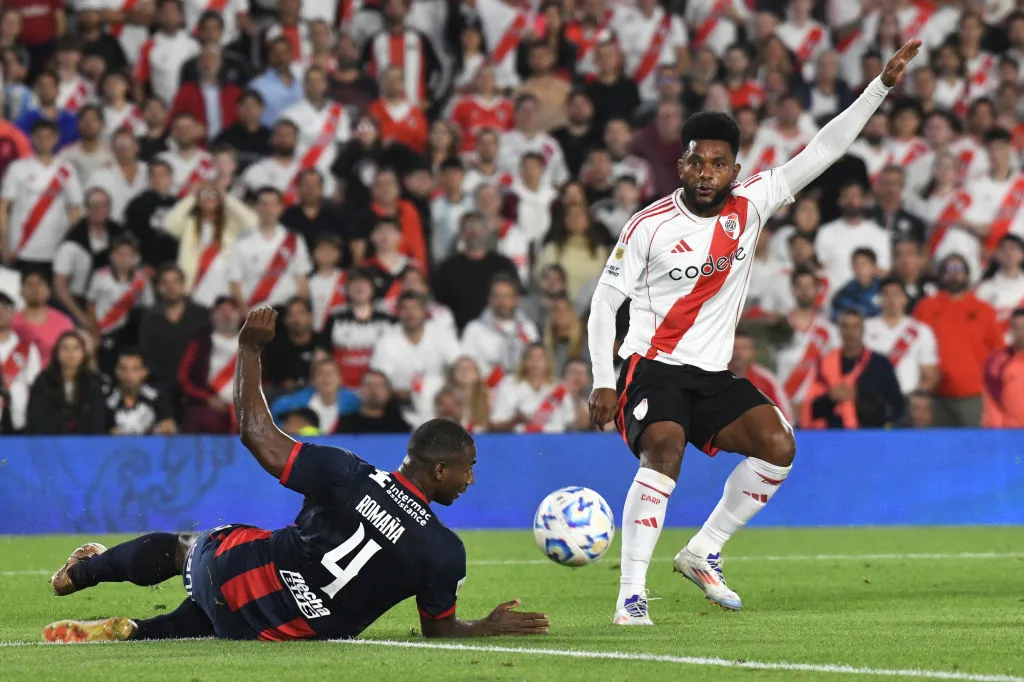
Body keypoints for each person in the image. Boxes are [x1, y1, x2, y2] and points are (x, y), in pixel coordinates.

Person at [587, 41, 922, 624]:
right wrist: (601, 380)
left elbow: (826, 147)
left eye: (720, 164)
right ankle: (631, 595)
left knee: (779, 445)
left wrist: (880, 88)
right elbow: (602, 304)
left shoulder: (755, 200)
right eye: (697, 162)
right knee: (664, 450)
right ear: (681, 165)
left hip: (711, 374)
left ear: (735, 169)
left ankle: (703, 550)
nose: (708, 174)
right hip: (651, 367)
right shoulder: (648, 226)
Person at [43, 306, 549, 642]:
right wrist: (488, 626)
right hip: (281, 629)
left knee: (187, 550)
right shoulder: (444, 550)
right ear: (439, 470)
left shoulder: (346, 472)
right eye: (468, 470)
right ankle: (138, 631)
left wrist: (249, 350)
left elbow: (256, 435)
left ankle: (82, 573)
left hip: (240, 574)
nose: (471, 480)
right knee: (211, 620)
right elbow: (438, 632)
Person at [914, 254, 1005, 427]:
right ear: (939, 275)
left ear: (968, 275)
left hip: (974, 396)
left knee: (974, 448)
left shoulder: (984, 310)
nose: (954, 274)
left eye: (959, 269)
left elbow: (998, 352)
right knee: (936, 449)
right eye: (949, 269)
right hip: (934, 395)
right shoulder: (925, 307)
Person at [1, 119, 83, 280]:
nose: (44, 140)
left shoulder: (66, 170)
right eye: (39, 136)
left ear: (56, 139)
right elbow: (3, 208)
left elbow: (75, 209)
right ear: (32, 139)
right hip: (21, 249)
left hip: (55, 250)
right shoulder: (17, 168)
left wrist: (70, 248)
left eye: (48, 136)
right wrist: (3, 245)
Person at [801, 309, 905, 429]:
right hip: (831, 438)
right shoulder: (824, 363)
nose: (850, 333)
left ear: (863, 330)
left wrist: (860, 398)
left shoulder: (880, 364)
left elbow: (897, 407)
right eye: (846, 327)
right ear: (839, 330)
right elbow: (810, 410)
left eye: (855, 327)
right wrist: (830, 398)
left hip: (871, 436)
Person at [163, 182, 256, 309]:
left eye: (213, 194)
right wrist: (192, 196)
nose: (209, 198)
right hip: (194, 286)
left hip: (223, 288)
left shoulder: (230, 224)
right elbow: (168, 224)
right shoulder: (189, 223)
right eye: (205, 194)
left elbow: (252, 223)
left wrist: (226, 197)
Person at [227, 188, 311, 311]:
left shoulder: (294, 240)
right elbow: (235, 282)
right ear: (256, 207)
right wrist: (245, 313)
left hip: (287, 315)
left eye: (273, 204)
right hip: (255, 314)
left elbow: (302, 280)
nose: (269, 209)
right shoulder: (241, 242)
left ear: (281, 208)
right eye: (264, 204)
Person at [139, 264, 209, 408]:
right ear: (158, 288)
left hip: (197, 385)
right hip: (161, 385)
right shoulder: (149, 317)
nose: (171, 287)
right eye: (165, 282)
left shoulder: (203, 314)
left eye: (176, 282)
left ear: (183, 285)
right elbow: (146, 353)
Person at [87, 234, 154, 376]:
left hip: (128, 333)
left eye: (129, 255)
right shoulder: (101, 276)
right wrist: (94, 330)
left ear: (137, 258)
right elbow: (91, 304)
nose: (124, 258)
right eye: (120, 254)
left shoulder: (141, 280)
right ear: (112, 256)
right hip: (103, 330)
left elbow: (148, 307)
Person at [864, 278, 939, 397]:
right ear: (879, 299)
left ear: (905, 299)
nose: (891, 299)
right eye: (886, 294)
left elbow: (930, 374)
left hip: (908, 398)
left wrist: (917, 398)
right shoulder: (865, 328)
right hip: (872, 399)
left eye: (896, 294)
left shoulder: (921, 331)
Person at [462, 274, 540, 390]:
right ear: (489, 299)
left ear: (516, 299)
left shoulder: (528, 328)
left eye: (507, 296)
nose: (502, 301)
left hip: (522, 392)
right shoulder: (474, 329)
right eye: (497, 296)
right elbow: (467, 369)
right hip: (487, 393)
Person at [177, 297, 241, 434]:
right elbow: (184, 378)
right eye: (222, 311)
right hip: (208, 404)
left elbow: (262, 380)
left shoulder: (252, 343)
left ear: (239, 314)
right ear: (213, 316)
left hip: (244, 408)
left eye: (231, 311)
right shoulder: (201, 342)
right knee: (198, 417)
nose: (227, 315)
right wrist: (207, 398)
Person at [322, 268, 394, 389]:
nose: (359, 287)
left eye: (364, 283)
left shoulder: (387, 318)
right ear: (347, 290)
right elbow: (323, 351)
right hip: (341, 386)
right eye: (354, 284)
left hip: (377, 387)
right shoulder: (335, 316)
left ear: (373, 288)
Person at [26, 330, 106, 435]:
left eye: (76, 348)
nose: (70, 353)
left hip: (86, 444)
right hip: (51, 443)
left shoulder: (94, 382)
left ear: (83, 353)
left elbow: (98, 418)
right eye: (65, 348)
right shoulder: (43, 381)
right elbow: (37, 417)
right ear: (57, 352)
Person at [489, 342, 578, 434]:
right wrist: (517, 419)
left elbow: (572, 424)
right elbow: (494, 425)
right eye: (530, 358)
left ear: (548, 363)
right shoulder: (508, 384)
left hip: (553, 443)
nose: (535, 363)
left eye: (540, 358)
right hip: (517, 442)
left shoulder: (560, 388)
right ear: (523, 362)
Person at [270, 357, 360, 435]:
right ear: (313, 380)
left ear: (340, 379)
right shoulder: (296, 402)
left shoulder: (352, 402)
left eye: (331, 373)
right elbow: (276, 412)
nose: (326, 377)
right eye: (321, 373)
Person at [728, 327, 793, 424]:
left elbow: (786, 419)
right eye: (734, 348)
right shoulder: (714, 377)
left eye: (744, 348)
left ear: (753, 352)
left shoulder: (766, 380)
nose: (738, 353)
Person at [262, 297, 326, 396]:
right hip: (284, 396)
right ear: (286, 320)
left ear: (310, 316)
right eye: (291, 315)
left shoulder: (322, 342)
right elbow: (276, 380)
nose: (296, 319)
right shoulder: (275, 346)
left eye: (301, 313)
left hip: (317, 392)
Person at [11, 271, 74, 369]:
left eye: (39, 284)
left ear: (48, 291)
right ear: (21, 292)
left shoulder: (64, 322)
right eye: (29, 285)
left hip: (52, 378)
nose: (34, 289)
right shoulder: (9, 321)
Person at [105, 349, 176, 435]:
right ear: (117, 371)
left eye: (135, 369)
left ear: (144, 372)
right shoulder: (108, 402)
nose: (129, 375)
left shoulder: (156, 397)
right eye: (124, 369)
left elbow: (168, 427)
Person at [0, 290, 42, 432]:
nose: (1, 313)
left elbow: (35, 387)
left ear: (13, 313)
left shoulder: (28, 349)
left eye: (5, 308)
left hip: (19, 422)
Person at [982, 309, 1024, 428]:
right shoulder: (998, 360)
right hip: (1010, 432)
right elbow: (992, 400)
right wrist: (997, 434)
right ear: (1010, 330)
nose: (1021, 333)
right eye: (1017, 328)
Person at [335, 368, 411, 434]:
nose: (374, 390)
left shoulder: (399, 426)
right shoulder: (346, 423)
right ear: (360, 391)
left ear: (388, 393)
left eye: (379, 386)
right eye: (369, 385)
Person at [831, 248, 883, 321]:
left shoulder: (885, 289)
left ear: (873, 267)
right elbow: (837, 319)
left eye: (863, 265)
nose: (859, 269)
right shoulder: (844, 294)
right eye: (856, 265)